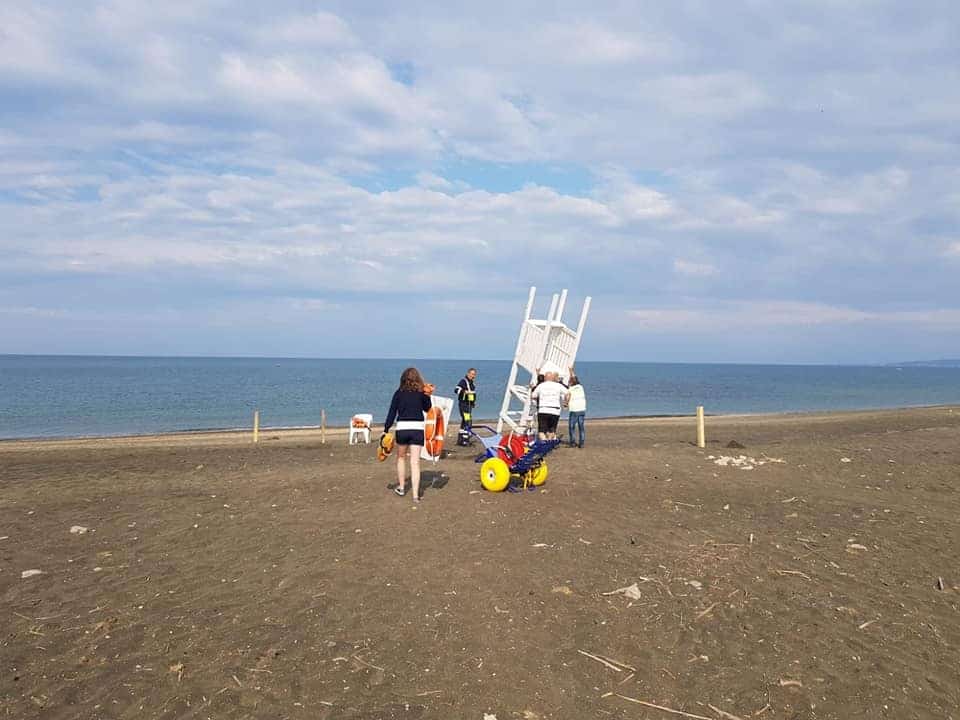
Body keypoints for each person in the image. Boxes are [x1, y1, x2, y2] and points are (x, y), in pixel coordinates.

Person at [382, 367, 433, 504]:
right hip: (417, 428)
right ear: (418, 379)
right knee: (415, 462)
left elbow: (392, 412)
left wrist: (386, 429)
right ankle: (416, 495)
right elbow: (428, 409)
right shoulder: (421, 393)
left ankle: (402, 487)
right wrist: (427, 395)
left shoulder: (398, 393)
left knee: (401, 458)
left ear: (403, 379)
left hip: (403, 428)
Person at [530, 370, 568, 440]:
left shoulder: (541, 385)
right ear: (552, 378)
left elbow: (533, 396)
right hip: (555, 410)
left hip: (543, 410)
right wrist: (566, 403)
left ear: (545, 378)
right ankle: (549, 443)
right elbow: (568, 393)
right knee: (552, 431)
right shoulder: (558, 385)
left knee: (541, 431)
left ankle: (545, 442)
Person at [454, 368, 478, 446]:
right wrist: (464, 392)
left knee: (464, 422)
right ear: (468, 374)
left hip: (469, 406)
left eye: (474, 374)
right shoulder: (463, 381)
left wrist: (473, 403)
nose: (473, 376)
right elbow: (456, 390)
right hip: (463, 405)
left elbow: (472, 395)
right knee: (468, 421)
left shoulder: (472, 384)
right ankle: (465, 440)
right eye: (471, 374)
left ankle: (460, 440)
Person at [566, 366, 586, 448]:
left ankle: (573, 442)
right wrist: (571, 371)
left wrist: (565, 404)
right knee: (581, 427)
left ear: (570, 383)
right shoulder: (580, 387)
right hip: (582, 409)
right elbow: (575, 378)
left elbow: (568, 397)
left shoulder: (570, 389)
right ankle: (581, 443)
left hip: (574, 410)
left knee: (571, 427)